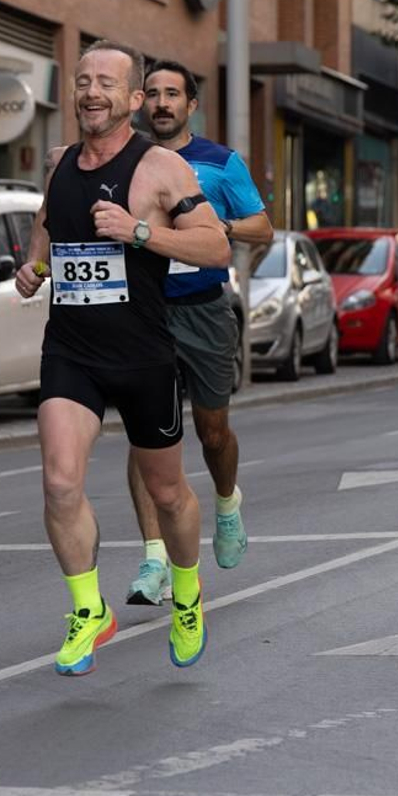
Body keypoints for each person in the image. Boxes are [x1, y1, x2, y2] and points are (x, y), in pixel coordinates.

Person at [14, 39, 230, 676]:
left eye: (106, 82)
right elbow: (45, 239)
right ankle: (88, 610)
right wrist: (31, 273)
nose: (91, 92)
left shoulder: (161, 167)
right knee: (59, 481)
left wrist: (139, 232)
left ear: (133, 100)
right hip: (72, 348)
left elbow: (215, 247)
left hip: (142, 353)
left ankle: (187, 594)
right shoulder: (58, 164)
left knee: (168, 495)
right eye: (83, 81)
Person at [125, 60, 273, 606]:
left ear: (191, 105)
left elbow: (263, 227)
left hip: (205, 310)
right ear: (141, 102)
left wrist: (210, 226)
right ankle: (154, 559)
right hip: (144, 312)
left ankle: (228, 502)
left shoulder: (220, 162)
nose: (162, 103)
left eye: (173, 95)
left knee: (213, 434)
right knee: (147, 434)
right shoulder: (126, 160)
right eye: (154, 94)